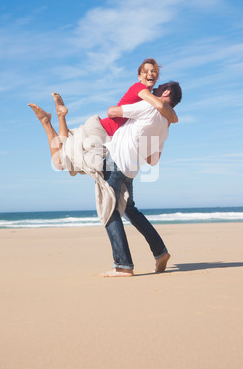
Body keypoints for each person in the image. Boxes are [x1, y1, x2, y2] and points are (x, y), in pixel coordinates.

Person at [28, 59, 178, 172]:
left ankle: (58, 117)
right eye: (146, 71)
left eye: (154, 72)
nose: (150, 74)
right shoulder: (140, 89)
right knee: (61, 162)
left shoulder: (149, 100)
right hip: (104, 131)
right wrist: (172, 117)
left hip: (104, 131)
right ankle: (47, 122)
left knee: (63, 150)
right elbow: (161, 107)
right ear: (139, 76)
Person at [101, 81, 182, 277]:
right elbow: (153, 160)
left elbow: (112, 112)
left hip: (116, 161)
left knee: (110, 210)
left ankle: (123, 265)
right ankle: (160, 252)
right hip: (131, 170)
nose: (155, 88)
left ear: (166, 92)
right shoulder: (165, 125)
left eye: (159, 87)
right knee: (129, 210)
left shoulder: (149, 106)